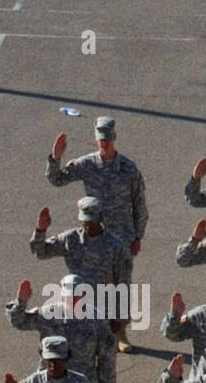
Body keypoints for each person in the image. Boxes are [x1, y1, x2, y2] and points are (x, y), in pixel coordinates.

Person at [45, 117, 147, 350]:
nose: (104, 144)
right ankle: (91, 332)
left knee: (120, 285)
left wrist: (138, 235)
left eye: (108, 139)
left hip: (121, 237)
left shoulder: (128, 169)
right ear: (95, 140)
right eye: (101, 140)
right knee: (89, 284)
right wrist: (55, 157)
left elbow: (139, 203)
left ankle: (120, 333)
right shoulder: (87, 165)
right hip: (93, 234)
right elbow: (57, 179)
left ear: (114, 138)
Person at [6, 272, 119, 383]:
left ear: (84, 295)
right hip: (50, 378)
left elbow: (107, 354)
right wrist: (20, 302)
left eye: (76, 296)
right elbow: (20, 322)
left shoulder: (97, 319)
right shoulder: (48, 314)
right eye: (69, 297)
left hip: (83, 380)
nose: (72, 301)